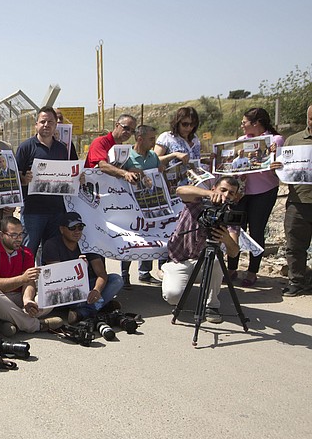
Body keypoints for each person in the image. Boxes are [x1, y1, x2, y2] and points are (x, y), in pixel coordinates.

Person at [161, 177, 242, 322]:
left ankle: (212, 305)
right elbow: (180, 190)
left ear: (235, 197)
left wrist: (226, 239)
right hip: (179, 260)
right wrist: (208, 195)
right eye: (222, 190)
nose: (225, 195)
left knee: (217, 261)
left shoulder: (230, 217)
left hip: (206, 263)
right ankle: (166, 271)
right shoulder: (197, 202)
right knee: (173, 297)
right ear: (214, 189)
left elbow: (234, 252)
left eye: (231, 193)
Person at [227, 108, 284, 287]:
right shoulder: (241, 143)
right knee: (235, 229)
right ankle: (232, 268)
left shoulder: (275, 140)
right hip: (241, 193)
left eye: (244, 122)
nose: (242, 126)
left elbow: (283, 167)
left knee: (256, 230)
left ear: (256, 123)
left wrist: (276, 161)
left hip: (264, 191)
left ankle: (252, 272)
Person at [15, 106, 79, 263]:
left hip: (57, 212)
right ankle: (26, 285)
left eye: (50, 121)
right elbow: (14, 177)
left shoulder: (62, 149)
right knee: (28, 251)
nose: (46, 125)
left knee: (52, 253)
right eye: (42, 121)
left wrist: (78, 178)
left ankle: (48, 287)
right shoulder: (26, 147)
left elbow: (69, 174)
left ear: (56, 125)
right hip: (33, 211)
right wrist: (24, 179)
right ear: (36, 124)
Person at [0, 216, 55, 336]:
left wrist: (27, 299)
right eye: (13, 235)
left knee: (52, 293)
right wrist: (23, 278)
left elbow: (29, 282)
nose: (18, 239)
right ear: (1, 235)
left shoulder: (26, 252)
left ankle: (9, 322)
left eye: (21, 235)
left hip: (17, 300)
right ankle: (36, 325)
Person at [43, 212, 124, 322]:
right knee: (81, 299)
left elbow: (101, 274)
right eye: (72, 228)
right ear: (62, 229)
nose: (77, 231)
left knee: (117, 280)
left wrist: (96, 290)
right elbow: (56, 278)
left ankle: (84, 311)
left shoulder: (87, 244)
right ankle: (99, 306)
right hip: (63, 291)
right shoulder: (52, 244)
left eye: (80, 227)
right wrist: (76, 267)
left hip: (85, 287)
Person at [120, 125, 174, 287]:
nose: (154, 143)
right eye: (151, 139)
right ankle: (124, 275)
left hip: (152, 205)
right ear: (140, 139)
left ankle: (145, 272)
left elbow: (159, 174)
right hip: (131, 206)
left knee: (150, 238)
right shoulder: (127, 155)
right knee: (131, 241)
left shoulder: (152, 156)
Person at [280, 104, 312, 297]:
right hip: (298, 202)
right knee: (294, 245)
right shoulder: (294, 140)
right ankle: (296, 282)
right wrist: (277, 166)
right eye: (311, 119)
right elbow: (284, 170)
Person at [85, 114, 142, 183]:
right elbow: (103, 166)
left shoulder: (122, 147)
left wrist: (139, 174)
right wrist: (125, 174)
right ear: (117, 125)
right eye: (126, 128)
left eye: (132, 131)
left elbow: (125, 167)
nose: (129, 133)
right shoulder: (100, 142)